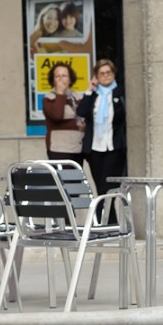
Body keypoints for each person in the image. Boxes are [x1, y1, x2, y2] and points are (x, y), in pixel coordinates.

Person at [77, 59, 126, 224]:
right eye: (102, 73)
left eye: (108, 72)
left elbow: (124, 116)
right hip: (94, 149)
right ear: (96, 77)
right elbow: (81, 112)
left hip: (113, 148)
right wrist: (90, 90)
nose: (106, 76)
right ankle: (108, 224)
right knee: (100, 188)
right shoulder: (94, 95)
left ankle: (105, 224)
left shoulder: (120, 92)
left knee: (108, 188)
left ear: (114, 74)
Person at [41, 63, 84, 165]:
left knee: (76, 175)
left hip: (77, 147)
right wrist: (60, 93)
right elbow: (57, 116)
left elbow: (84, 117)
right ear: (53, 80)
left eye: (64, 76)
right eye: (57, 76)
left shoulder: (78, 96)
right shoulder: (49, 98)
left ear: (70, 79)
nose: (61, 79)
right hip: (59, 149)